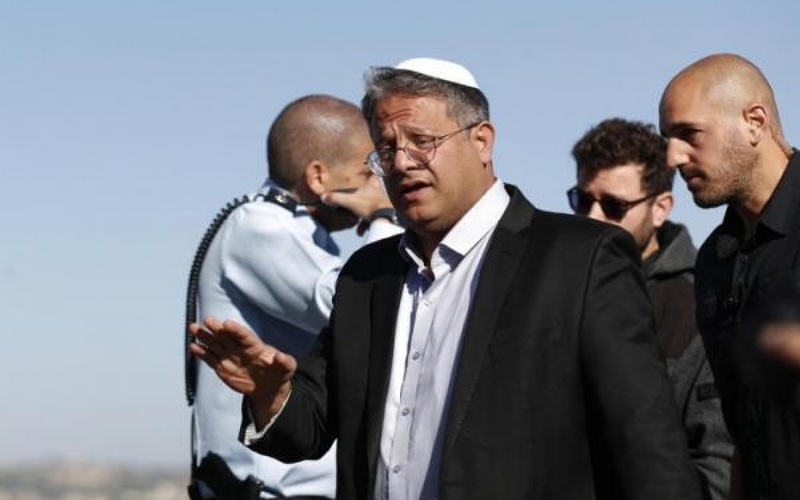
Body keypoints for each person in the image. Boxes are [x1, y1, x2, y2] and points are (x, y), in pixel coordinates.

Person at [192, 57, 702, 500]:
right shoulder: (366, 277)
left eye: (422, 141)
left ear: (482, 141)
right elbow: (312, 423)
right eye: (386, 148)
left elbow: (647, 446)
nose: (402, 162)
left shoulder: (579, 258)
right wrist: (271, 393)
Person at [186, 94, 402, 499]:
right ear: (318, 176)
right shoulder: (259, 228)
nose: (379, 183)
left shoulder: (302, 236)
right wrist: (384, 217)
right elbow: (357, 307)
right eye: (367, 171)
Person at [569, 117, 733, 500]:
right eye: (582, 200)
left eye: (614, 206)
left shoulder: (701, 306)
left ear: (660, 208)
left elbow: (717, 465)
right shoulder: (556, 287)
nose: (592, 218)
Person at [659, 53, 798, 500]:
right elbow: (743, 430)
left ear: (754, 122)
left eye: (689, 134)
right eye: (667, 139)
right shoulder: (713, 262)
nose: (672, 157)